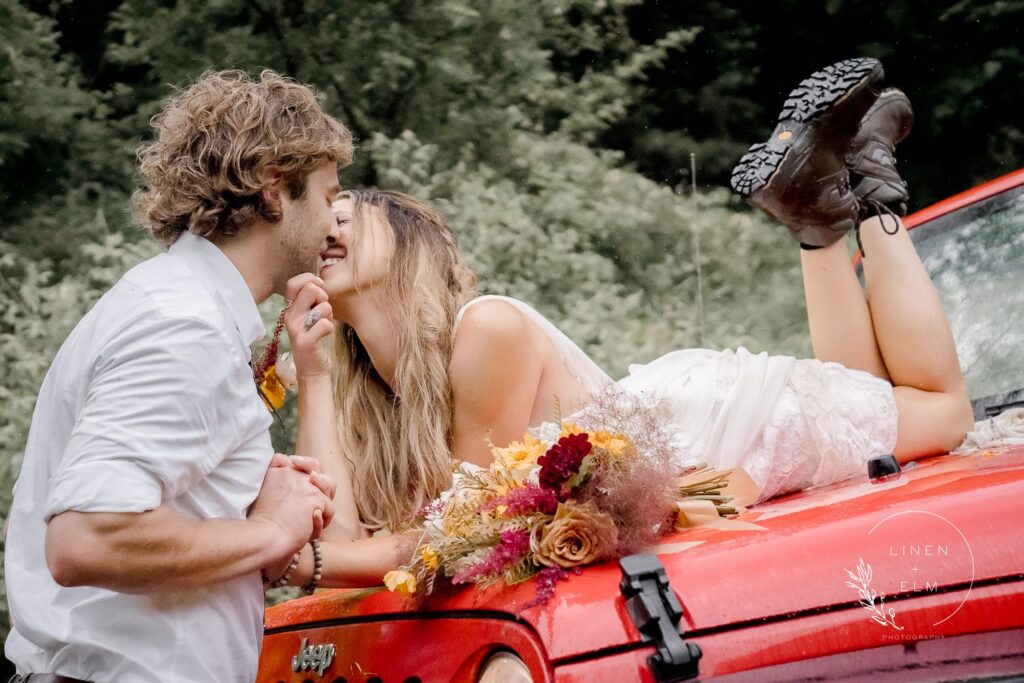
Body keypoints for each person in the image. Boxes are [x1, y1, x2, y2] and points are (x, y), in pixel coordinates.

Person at [267, 58, 974, 589]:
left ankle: (875, 185)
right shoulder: (377, 399)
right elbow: (346, 532)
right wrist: (319, 372)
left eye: (345, 213)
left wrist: (309, 561)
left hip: (718, 428)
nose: (328, 225)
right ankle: (819, 211)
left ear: (412, 245)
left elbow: (460, 532)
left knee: (943, 413)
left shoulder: (487, 329)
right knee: (864, 387)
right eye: (321, 224)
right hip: (692, 439)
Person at [4, 70, 351, 683]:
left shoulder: (178, 306)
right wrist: (272, 531)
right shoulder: (182, 324)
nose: (333, 220)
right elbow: (89, 538)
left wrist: (241, 488)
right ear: (274, 186)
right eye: (327, 194)